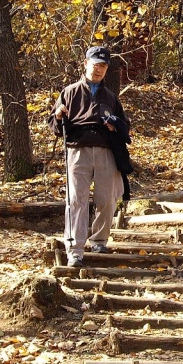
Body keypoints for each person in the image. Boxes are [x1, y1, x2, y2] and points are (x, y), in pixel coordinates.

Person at [50, 45, 130, 268]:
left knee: (107, 198)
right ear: (85, 64)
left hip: (106, 150)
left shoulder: (111, 97)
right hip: (78, 150)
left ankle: (99, 240)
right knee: (76, 200)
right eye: (95, 65)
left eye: (103, 66)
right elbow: (55, 127)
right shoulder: (69, 92)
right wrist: (58, 115)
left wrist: (116, 126)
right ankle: (74, 250)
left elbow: (126, 127)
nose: (99, 70)